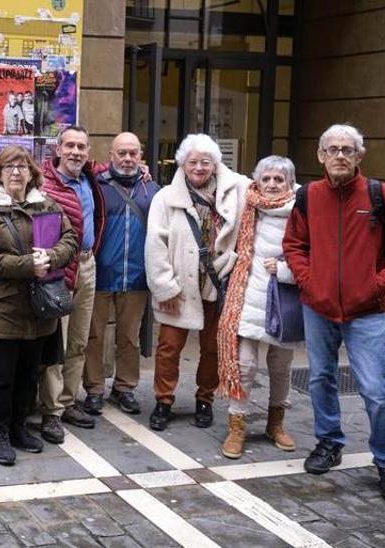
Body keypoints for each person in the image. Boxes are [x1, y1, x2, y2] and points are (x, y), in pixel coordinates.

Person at [284, 124, 385, 505]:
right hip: (319, 308)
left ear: (359, 156)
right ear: (321, 155)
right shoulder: (308, 196)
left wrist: (376, 286)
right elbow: (294, 244)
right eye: (333, 149)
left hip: (367, 313)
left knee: (377, 391)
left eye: (348, 149)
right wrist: (309, 281)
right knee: (320, 379)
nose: (340, 156)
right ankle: (329, 442)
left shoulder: (382, 195)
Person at [0, 145, 77, 465]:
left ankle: (19, 426)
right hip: (1, 308)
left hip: (39, 308)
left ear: (32, 173)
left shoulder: (47, 204)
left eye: (22, 167)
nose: (16, 172)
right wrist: (28, 265)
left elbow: (69, 240)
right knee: (0, 375)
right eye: (9, 167)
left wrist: (51, 257)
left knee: (29, 372)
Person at [144, 134, 247, 432]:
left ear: (215, 164)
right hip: (178, 286)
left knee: (212, 348)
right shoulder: (166, 197)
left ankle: (205, 399)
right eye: (193, 162)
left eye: (205, 162)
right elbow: (155, 245)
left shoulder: (235, 191)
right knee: (168, 347)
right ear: (182, 164)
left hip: (218, 283)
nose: (199, 167)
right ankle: (163, 401)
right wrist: (164, 287)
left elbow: (275, 185)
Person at [215, 155, 300, 460]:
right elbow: (214, 170)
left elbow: (312, 252)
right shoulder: (248, 202)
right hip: (247, 294)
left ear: (290, 183)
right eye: (266, 179)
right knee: (245, 365)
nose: (272, 185)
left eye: (279, 179)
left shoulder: (302, 209)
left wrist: (286, 270)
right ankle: (236, 426)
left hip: (285, 297)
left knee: (280, 366)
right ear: (257, 181)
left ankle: (275, 424)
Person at [37, 125, 106, 444]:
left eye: (81, 146)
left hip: (88, 264)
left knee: (79, 340)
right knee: (57, 343)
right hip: (58, 269)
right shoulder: (45, 183)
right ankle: (51, 410)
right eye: (70, 146)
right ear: (58, 149)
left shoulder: (91, 179)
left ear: (88, 152)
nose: (75, 152)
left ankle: (67, 401)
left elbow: (118, 167)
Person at [82, 132, 157, 416]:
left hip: (136, 276)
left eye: (133, 153)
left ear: (141, 156)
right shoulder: (96, 186)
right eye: (122, 153)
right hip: (100, 273)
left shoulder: (153, 191)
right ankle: (94, 389)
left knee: (129, 337)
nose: (127, 158)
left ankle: (125, 387)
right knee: (94, 336)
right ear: (111, 155)